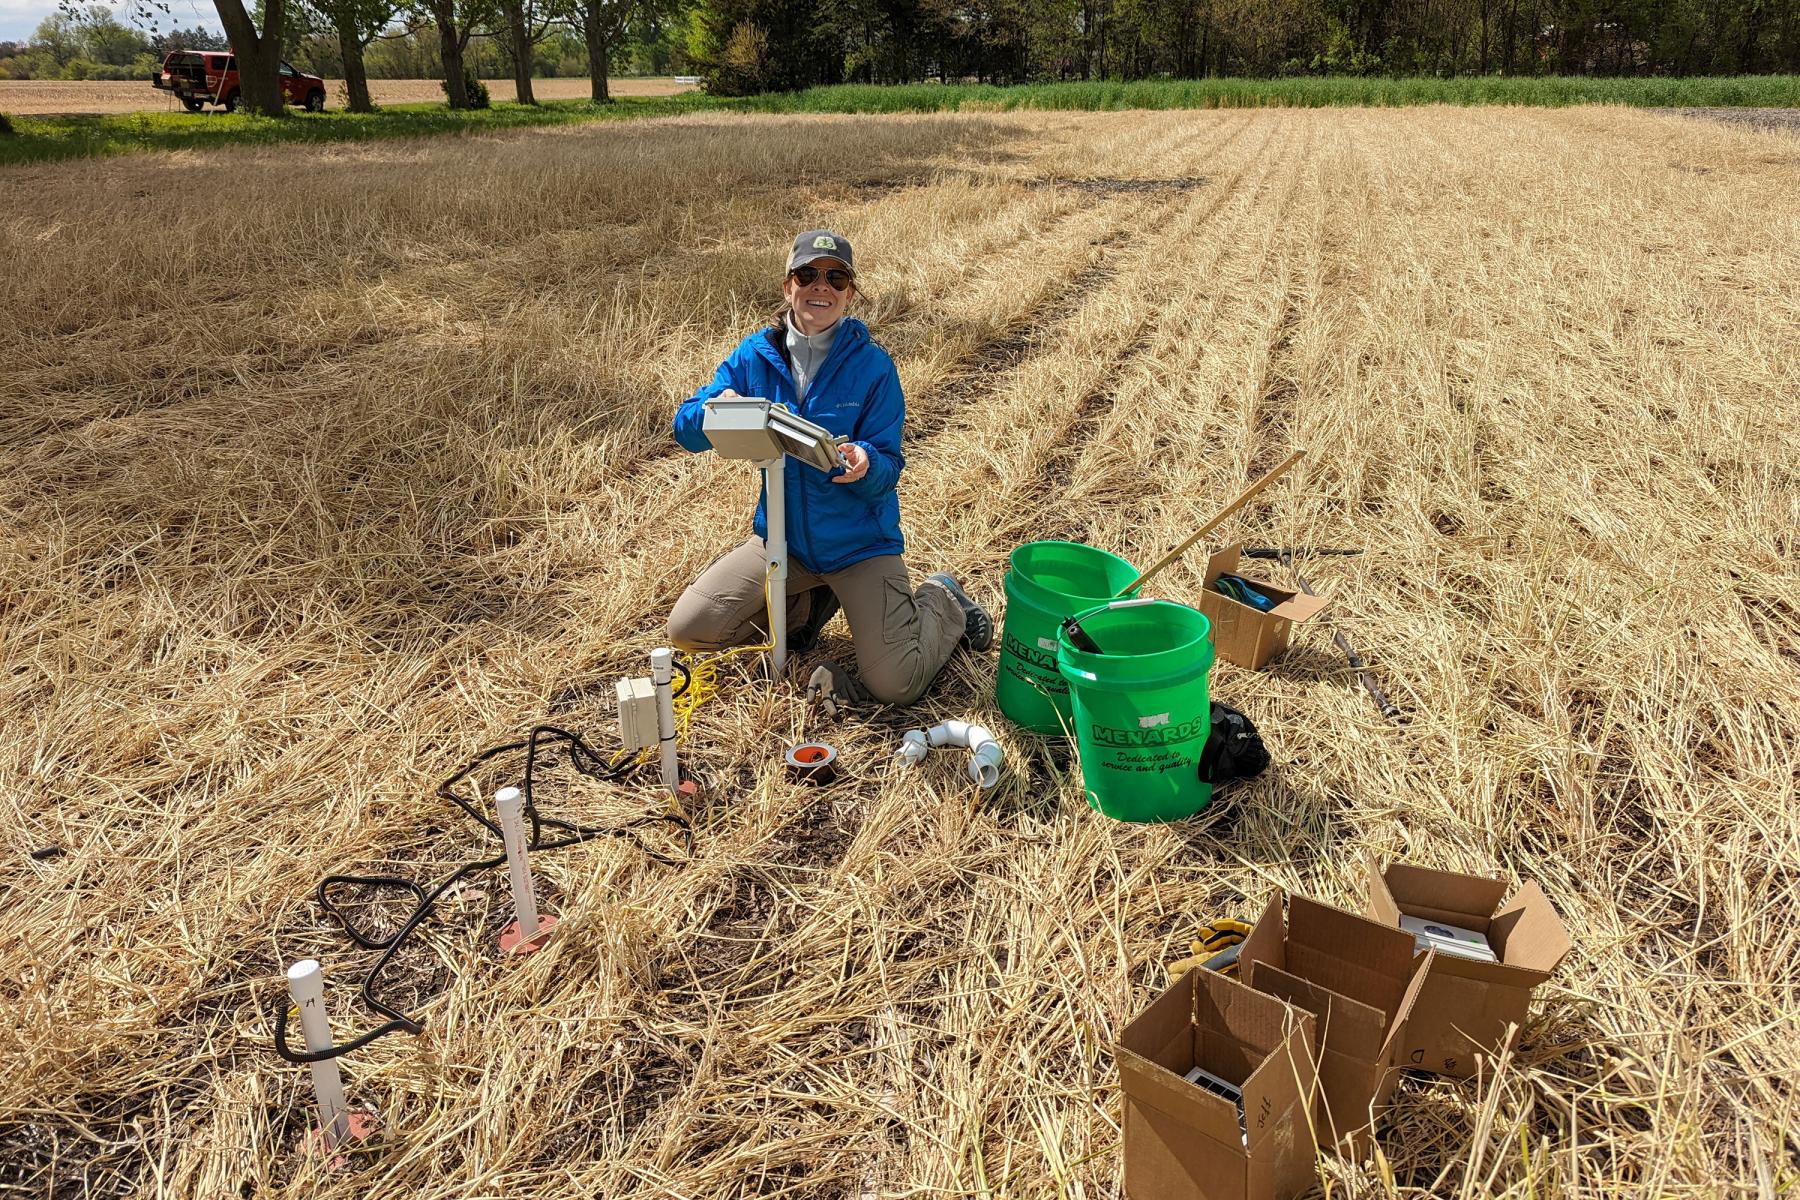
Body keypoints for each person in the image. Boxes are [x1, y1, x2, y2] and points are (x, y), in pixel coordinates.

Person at [668, 229, 991, 705]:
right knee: (690, 631)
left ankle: (943, 600)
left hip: (859, 546)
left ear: (849, 294)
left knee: (895, 684)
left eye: (835, 278)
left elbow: (889, 466)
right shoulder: (752, 356)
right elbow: (685, 429)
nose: (821, 286)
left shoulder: (874, 367)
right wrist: (717, 407)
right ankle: (807, 610)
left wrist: (865, 463)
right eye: (808, 275)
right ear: (788, 287)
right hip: (783, 541)